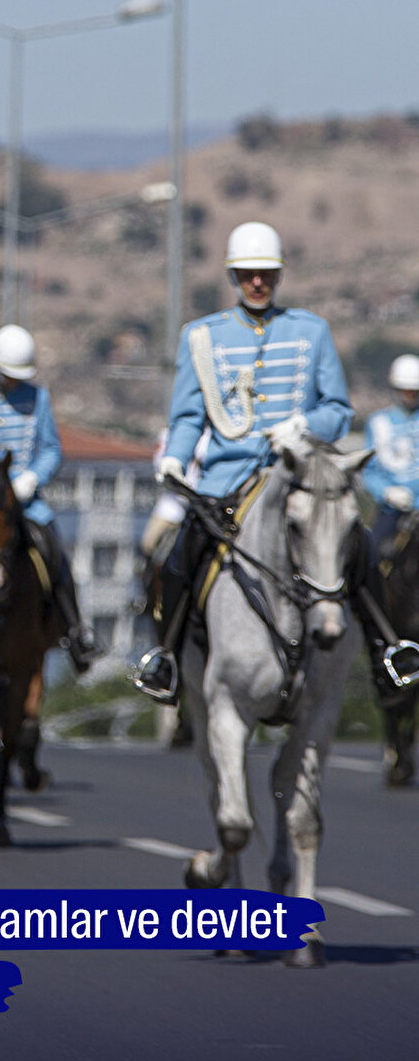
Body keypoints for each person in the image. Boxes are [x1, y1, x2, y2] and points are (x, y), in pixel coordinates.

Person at [132, 220, 406, 702]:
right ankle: (166, 659)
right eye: (247, 274)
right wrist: (175, 459)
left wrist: (303, 425)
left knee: (359, 544)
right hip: (227, 483)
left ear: (279, 275)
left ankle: (389, 650)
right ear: (233, 276)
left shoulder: (310, 331)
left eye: (266, 274)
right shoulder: (202, 336)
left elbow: (338, 412)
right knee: (178, 557)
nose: (257, 282)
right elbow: (189, 416)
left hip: (298, 477)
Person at [0, 322, 99, 673]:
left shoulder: (37, 398)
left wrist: (32, 478)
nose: (12, 381)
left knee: (54, 553)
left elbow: (51, 450)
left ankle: (75, 631)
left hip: (22, 506)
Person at [356, 354, 419, 692]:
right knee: (371, 557)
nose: (410, 396)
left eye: (415, 391)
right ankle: (376, 633)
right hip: (393, 511)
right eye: (406, 390)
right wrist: (387, 492)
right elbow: (369, 470)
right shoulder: (379, 422)